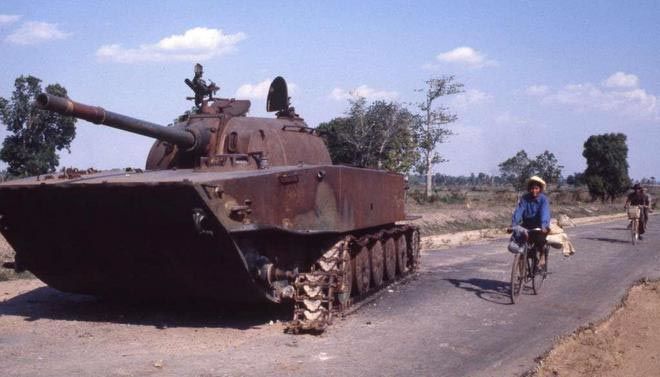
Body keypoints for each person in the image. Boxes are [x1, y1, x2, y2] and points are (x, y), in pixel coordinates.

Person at [509, 176, 551, 267]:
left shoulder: (543, 200)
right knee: (518, 239)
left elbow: (545, 212)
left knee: (539, 240)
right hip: (527, 225)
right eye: (532, 188)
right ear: (529, 189)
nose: (534, 190)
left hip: (540, 226)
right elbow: (519, 211)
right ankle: (526, 259)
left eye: (536, 188)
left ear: (540, 189)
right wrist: (513, 224)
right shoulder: (525, 198)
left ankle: (542, 255)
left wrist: (543, 225)